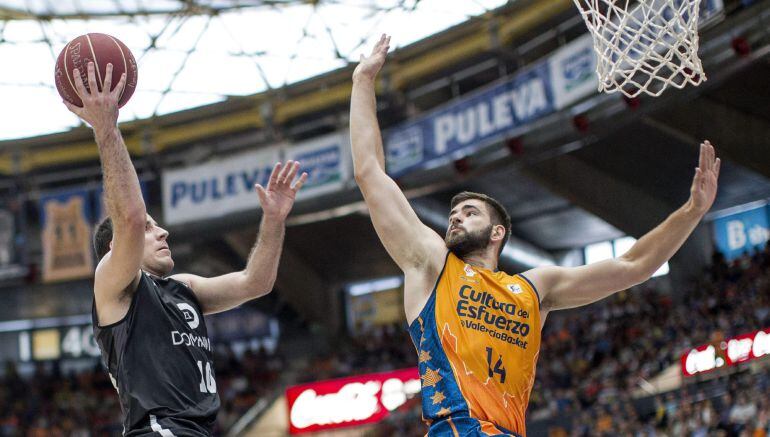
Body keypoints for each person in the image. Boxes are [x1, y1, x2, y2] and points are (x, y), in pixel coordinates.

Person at [350, 34, 720, 436]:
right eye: (452, 214)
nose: (454, 219)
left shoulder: (535, 288)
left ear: (497, 232)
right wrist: (362, 83)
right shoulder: (432, 264)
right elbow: (370, 173)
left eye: (468, 213)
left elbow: (635, 264)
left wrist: (692, 210)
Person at [64, 62, 307, 436]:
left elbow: (255, 283)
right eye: (150, 228)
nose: (162, 232)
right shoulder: (114, 287)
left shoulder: (184, 288)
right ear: (116, 248)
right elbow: (129, 216)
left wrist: (273, 220)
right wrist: (105, 127)